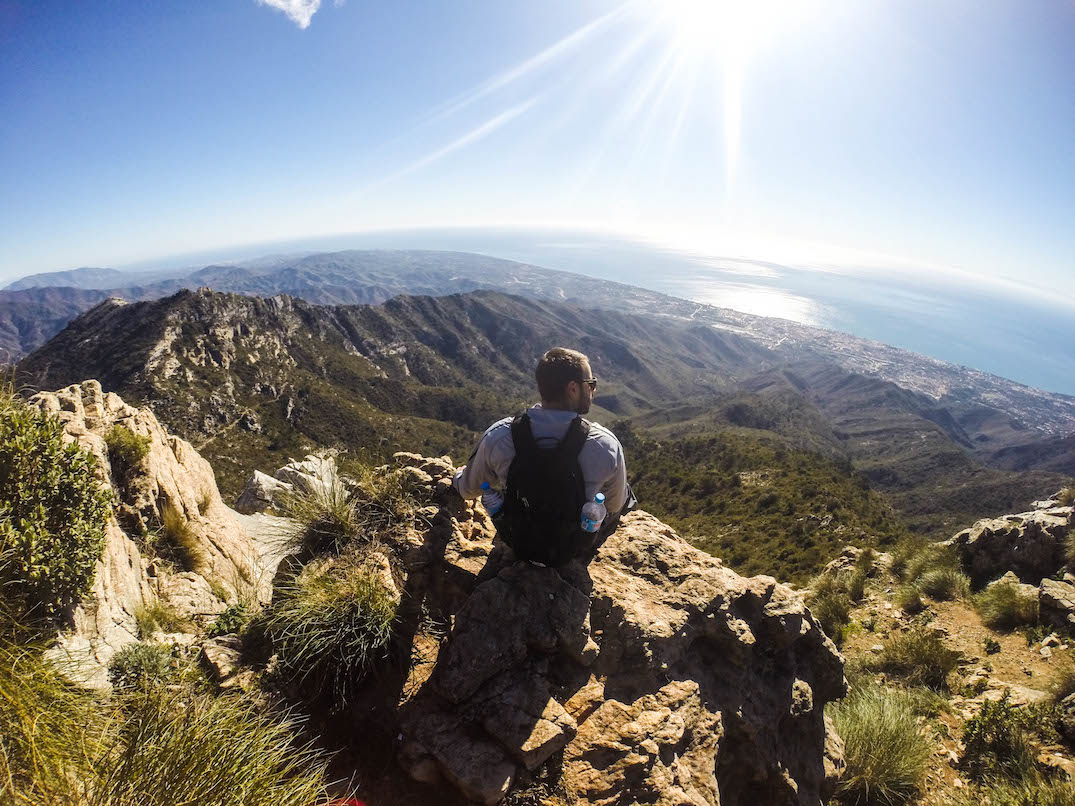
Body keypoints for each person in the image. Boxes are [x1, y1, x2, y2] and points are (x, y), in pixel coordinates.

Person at [453, 347, 635, 563]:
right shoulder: (606, 445)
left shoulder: (499, 436)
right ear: (573, 389)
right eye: (591, 384)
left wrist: (457, 476)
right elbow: (614, 505)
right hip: (573, 547)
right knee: (627, 496)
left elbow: (467, 490)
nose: (594, 391)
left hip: (519, 541)